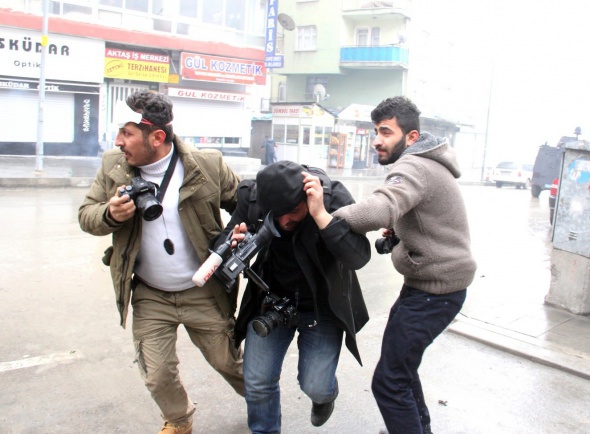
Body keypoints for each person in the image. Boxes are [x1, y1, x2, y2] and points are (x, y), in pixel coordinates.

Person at [78, 90, 244, 434]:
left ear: (156, 137)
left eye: (126, 133)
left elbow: (244, 204)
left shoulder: (207, 164)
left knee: (228, 362)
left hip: (203, 290)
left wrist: (238, 233)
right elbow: (86, 215)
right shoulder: (113, 166)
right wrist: (110, 214)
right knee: (157, 374)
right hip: (151, 293)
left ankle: (263, 400)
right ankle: (179, 420)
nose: (118, 141)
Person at [332, 96, 477, 434]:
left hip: (434, 293)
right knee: (402, 371)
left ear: (411, 137)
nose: (377, 140)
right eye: (376, 132)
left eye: (386, 132)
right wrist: (399, 234)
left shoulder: (414, 166)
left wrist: (326, 218)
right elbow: (425, 220)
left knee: (389, 382)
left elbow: (379, 208)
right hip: (430, 288)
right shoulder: (428, 163)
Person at [215, 160, 371, 433]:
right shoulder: (253, 197)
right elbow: (222, 245)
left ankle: (325, 396)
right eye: (276, 215)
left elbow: (358, 257)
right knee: (258, 382)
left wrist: (321, 215)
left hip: (322, 306)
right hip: (271, 301)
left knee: (315, 385)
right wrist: (232, 244)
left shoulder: (333, 198)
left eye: (294, 212)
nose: (284, 221)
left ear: (307, 196)